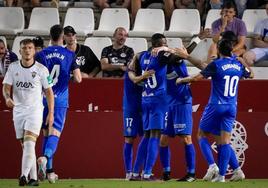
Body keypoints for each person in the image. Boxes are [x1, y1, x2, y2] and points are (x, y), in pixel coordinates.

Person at [176, 39, 253, 182]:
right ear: (231, 50)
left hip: (216, 105)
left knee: (201, 134)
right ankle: (226, 174)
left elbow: (197, 78)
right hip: (231, 106)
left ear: (218, 49)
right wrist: (242, 62)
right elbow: (251, 75)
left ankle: (213, 167)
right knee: (224, 141)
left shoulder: (216, 64)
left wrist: (181, 81)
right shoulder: (237, 64)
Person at [128, 33, 184, 180]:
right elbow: (179, 56)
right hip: (159, 100)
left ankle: (134, 173)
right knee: (155, 136)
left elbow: (130, 70)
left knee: (146, 135)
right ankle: (146, 173)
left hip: (145, 98)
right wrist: (168, 49)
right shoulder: (161, 55)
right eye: (164, 43)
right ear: (160, 44)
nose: (166, 45)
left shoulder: (140, 56)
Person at [2, 38, 54, 186]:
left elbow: (49, 92)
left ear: (34, 50)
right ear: (20, 51)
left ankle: (23, 175)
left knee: (30, 143)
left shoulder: (41, 70)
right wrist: (7, 98)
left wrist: (51, 113)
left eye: (30, 48)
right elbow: (6, 87)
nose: (27, 50)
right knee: (26, 147)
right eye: (24, 48)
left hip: (35, 111)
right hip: (18, 111)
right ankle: (33, 179)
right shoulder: (13, 68)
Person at [35, 24, 82, 184]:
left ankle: (49, 172)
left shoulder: (41, 54)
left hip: (42, 99)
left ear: (50, 36)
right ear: (62, 36)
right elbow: (78, 79)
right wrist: (66, 78)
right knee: (55, 133)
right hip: (60, 99)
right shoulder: (69, 54)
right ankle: (45, 158)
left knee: (46, 134)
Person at [159, 46, 206, 182]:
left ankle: (191, 174)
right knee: (163, 139)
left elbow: (177, 57)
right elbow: (168, 57)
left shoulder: (178, 62)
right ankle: (166, 172)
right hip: (169, 104)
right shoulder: (163, 64)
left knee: (185, 138)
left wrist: (185, 50)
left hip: (182, 102)